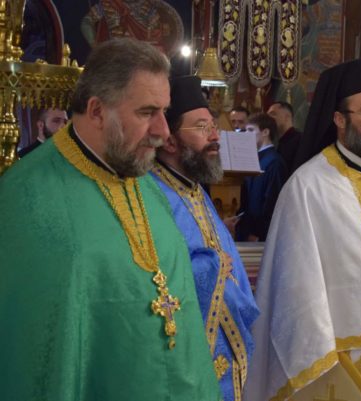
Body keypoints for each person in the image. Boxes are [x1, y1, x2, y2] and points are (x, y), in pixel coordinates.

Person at [0, 38, 220, 400]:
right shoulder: (26, 197)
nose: (163, 131)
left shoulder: (149, 188)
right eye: (147, 112)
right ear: (97, 111)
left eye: (165, 112)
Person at [244, 58, 361, 400]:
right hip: (332, 358)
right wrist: (318, 347)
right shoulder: (307, 186)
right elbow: (296, 282)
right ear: (339, 119)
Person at [150, 75, 259, 401]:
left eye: (213, 126)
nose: (215, 136)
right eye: (201, 128)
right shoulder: (153, 196)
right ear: (170, 141)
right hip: (184, 354)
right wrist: (213, 267)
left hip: (226, 350)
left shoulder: (195, 190)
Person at [235, 113, 287, 242]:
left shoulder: (274, 162)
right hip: (247, 230)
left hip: (260, 234)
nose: (246, 135)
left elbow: (272, 202)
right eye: (246, 131)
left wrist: (260, 234)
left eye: (251, 130)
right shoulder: (254, 158)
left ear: (265, 132)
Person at [267, 101, 302, 174]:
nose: (268, 118)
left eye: (273, 114)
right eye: (267, 115)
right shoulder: (276, 141)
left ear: (287, 117)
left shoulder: (300, 141)